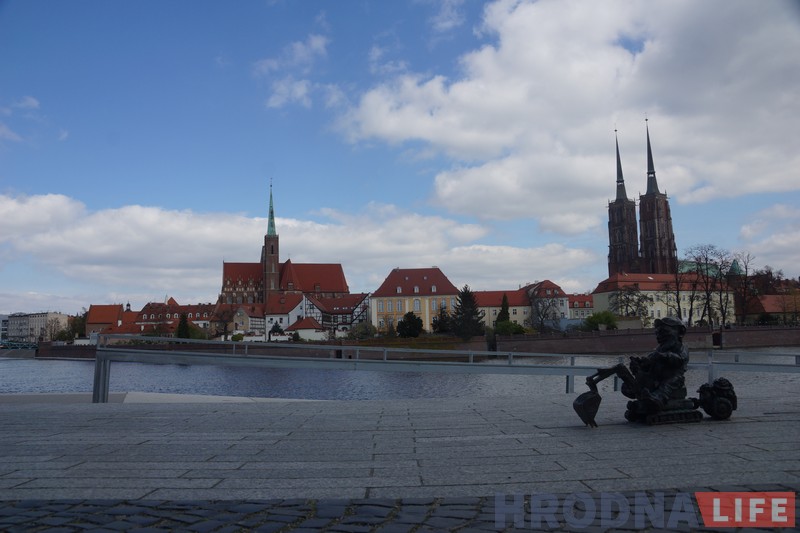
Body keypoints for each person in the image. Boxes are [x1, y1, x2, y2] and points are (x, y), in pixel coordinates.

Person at [621, 316, 689, 410]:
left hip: (671, 379)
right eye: (657, 333)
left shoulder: (681, 348)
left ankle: (658, 398)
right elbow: (649, 364)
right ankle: (640, 395)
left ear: (680, 332)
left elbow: (680, 360)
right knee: (635, 382)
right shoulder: (659, 349)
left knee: (673, 380)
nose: (659, 336)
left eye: (664, 332)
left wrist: (663, 356)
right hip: (656, 378)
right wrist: (640, 365)